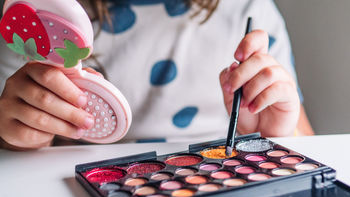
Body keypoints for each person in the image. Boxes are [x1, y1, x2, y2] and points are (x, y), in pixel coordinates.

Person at [0, 0, 314, 150]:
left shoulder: (251, 10)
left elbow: (307, 145)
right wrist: (18, 138)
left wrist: (273, 138)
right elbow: (14, 151)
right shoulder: (39, 21)